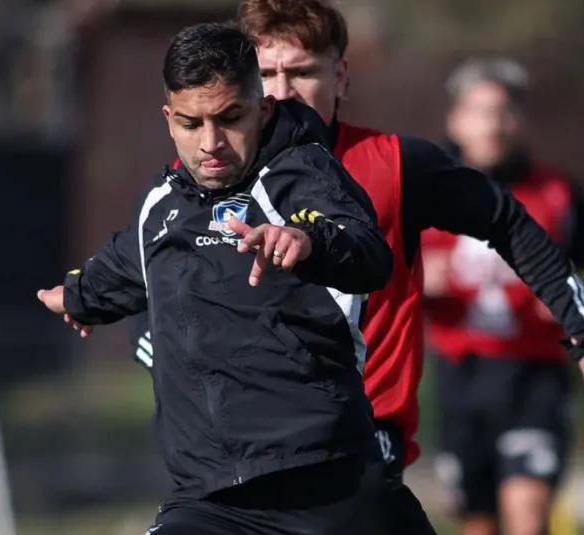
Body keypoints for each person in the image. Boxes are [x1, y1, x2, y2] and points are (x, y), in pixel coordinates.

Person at [126, 0, 584, 484]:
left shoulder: (396, 165)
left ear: (340, 76)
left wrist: (577, 326)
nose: (282, 93)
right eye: (265, 74)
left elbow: (507, 220)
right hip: (239, 450)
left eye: (301, 72)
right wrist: (169, 356)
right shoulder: (200, 181)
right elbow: (140, 277)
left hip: (363, 438)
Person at [39, 22, 437, 535]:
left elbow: (366, 252)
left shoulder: (301, 176)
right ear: (169, 119)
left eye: (230, 118)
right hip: (212, 501)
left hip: (328, 486)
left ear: (263, 109)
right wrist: (74, 296)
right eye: (191, 122)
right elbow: (115, 272)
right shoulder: (160, 208)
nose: (211, 143)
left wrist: (309, 244)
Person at [421, 58, 584, 535]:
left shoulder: (557, 192)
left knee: (527, 514)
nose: (491, 123)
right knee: (478, 523)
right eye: (478, 110)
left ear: (520, 118)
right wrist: (416, 276)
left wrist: (564, 298)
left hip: (534, 377)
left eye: (503, 110)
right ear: (455, 118)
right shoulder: (425, 192)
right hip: (460, 377)